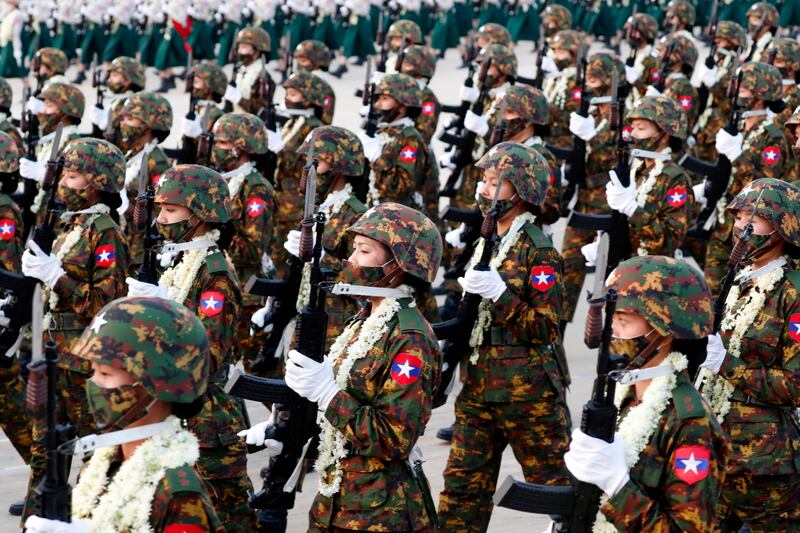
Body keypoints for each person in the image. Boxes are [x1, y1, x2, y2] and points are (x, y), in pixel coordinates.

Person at [243, 202, 442, 533]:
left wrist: (327, 393)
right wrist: (288, 428)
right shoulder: (366, 318)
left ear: (398, 265)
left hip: (380, 512)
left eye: (364, 251)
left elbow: (393, 438)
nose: (352, 260)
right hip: (337, 500)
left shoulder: (410, 339)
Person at [438, 143, 571, 532]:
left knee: (559, 489)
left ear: (520, 192)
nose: (484, 188)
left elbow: (545, 329)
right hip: (478, 387)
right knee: (462, 491)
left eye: (495, 182)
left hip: (528, 393)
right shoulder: (488, 238)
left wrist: (502, 295)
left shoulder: (539, 251)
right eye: (484, 180)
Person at [127, 164, 258, 529]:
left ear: (200, 214)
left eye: (170, 210)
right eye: (160, 209)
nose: (160, 219)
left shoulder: (213, 274)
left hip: (208, 424)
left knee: (228, 519)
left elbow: (207, 355)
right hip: (179, 414)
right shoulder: (183, 260)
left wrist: (162, 310)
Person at [24, 297, 224, 532]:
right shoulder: (103, 462)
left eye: (106, 374)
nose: (93, 383)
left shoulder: (178, 494)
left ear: (156, 384)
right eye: (93, 371)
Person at [565, 255, 729, 530]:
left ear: (663, 332)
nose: (612, 333)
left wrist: (618, 486)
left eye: (623, 322)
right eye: (611, 320)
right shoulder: (623, 398)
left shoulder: (690, 424)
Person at [19, 137, 130, 523]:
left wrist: (56, 275)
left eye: (73, 175)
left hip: (83, 360)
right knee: (44, 449)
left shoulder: (105, 232)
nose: (64, 183)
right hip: (53, 352)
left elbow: (105, 304)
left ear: (97, 181)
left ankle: (84, 521)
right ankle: (37, 522)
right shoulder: (72, 224)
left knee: (93, 452)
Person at [695, 178, 800, 530]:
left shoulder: (792, 293)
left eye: (752, 220)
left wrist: (728, 366)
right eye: (738, 219)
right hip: (716, 449)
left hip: (765, 463)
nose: (741, 228)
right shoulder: (739, 279)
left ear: (782, 227)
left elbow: (795, 386)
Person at [703, 61, 789, 294]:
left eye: (746, 88)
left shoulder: (772, 137)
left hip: (750, 230)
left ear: (762, 93)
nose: (739, 92)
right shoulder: (739, 127)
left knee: (735, 294)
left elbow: (765, 187)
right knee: (710, 293)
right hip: (724, 225)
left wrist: (737, 155)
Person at [587, 95, 694, 262]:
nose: (633, 135)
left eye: (641, 129)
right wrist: (604, 243)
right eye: (633, 128)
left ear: (664, 135)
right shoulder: (637, 171)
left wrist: (632, 209)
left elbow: (669, 241)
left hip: (653, 272)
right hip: (625, 266)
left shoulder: (675, 180)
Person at [210, 112, 277, 362]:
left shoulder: (256, 189)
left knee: (253, 366)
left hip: (246, 292)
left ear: (240, 148)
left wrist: (215, 233)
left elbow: (252, 249)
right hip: (221, 282)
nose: (216, 149)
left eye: (222, 144)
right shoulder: (223, 182)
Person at [118, 91, 172, 274]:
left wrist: (128, 210)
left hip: (141, 252)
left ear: (149, 124)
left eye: (131, 119)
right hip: (126, 242)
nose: (124, 123)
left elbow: (161, 216)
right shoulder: (133, 154)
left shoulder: (156, 161)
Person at [89, 56, 146, 145]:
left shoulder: (132, 103)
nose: (109, 80)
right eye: (110, 76)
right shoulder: (119, 99)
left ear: (128, 80)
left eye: (114, 76)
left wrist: (104, 124)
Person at [223, 26, 272, 115]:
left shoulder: (262, 74)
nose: (239, 51)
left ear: (257, 50)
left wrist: (238, 99)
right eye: (239, 47)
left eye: (244, 47)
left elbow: (261, 111)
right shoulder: (241, 70)